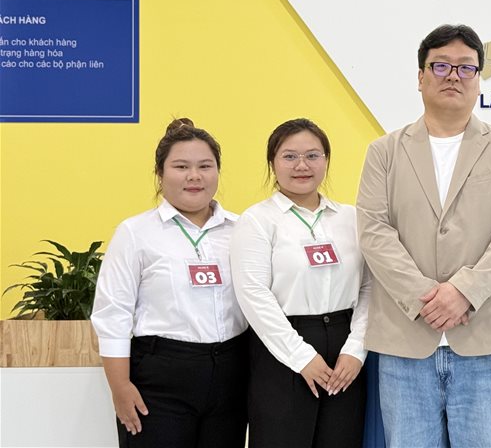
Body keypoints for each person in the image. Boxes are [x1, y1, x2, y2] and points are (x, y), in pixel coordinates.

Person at [356, 24, 491, 447]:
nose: (453, 75)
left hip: (486, 337)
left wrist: (465, 292)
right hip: (405, 340)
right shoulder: (384, 151)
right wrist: (424, 297)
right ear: (421, 77)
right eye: (441, 66)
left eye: (465, 67)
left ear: (478, 79)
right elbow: (374, 230)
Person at [92, 118, 249, 447]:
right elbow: (113, 314)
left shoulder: (242, 230)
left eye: (205, 166)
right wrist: (120, 387)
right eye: (181, 166)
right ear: (160, 174)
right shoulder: (136, 233)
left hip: (232, 375)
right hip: (161, 379)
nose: (194, 176)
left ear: (217, 172)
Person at [230, 118, 371, 448]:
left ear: (326, 160)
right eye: (290, 156)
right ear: (272, 162)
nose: (302, 165)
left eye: (312, 155)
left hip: (345, 351)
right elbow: (253, 294)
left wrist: (356, 350)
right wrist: (300, 356)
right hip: (282, 349)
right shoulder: (258, 220)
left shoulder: (351, 218)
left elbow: (370, 287)